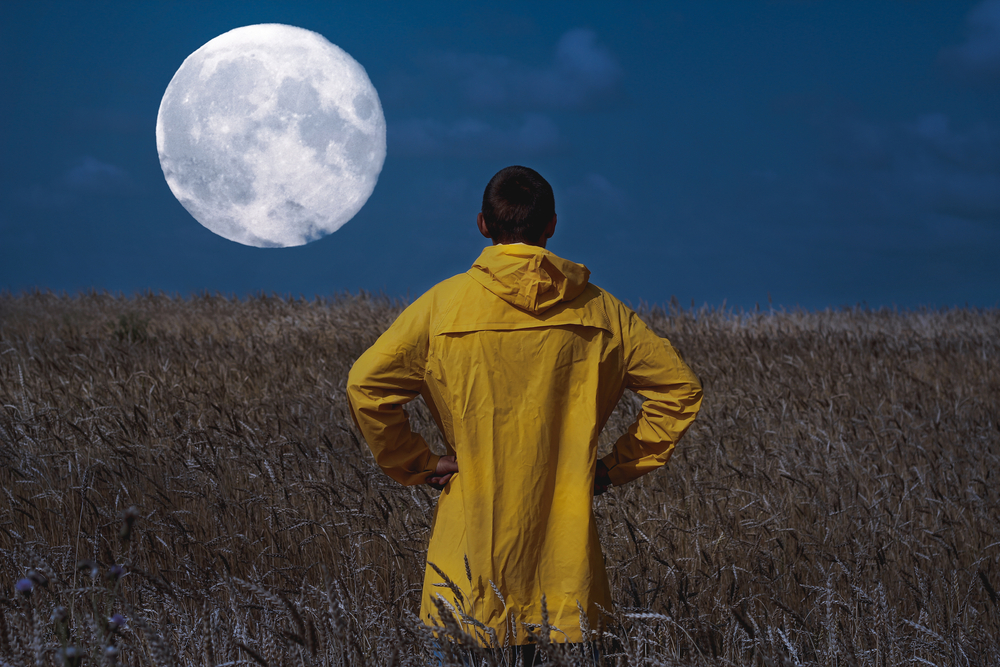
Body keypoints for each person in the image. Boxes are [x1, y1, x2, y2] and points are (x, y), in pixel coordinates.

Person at [346, 165, 703, 654]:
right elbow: (680, 389)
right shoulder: (602, 312)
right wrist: (615, 467)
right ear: (551, 225)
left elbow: (365, 384)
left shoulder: (441, 307)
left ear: (482, 224)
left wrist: (419, 463)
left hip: (467, 572)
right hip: (566, 576)